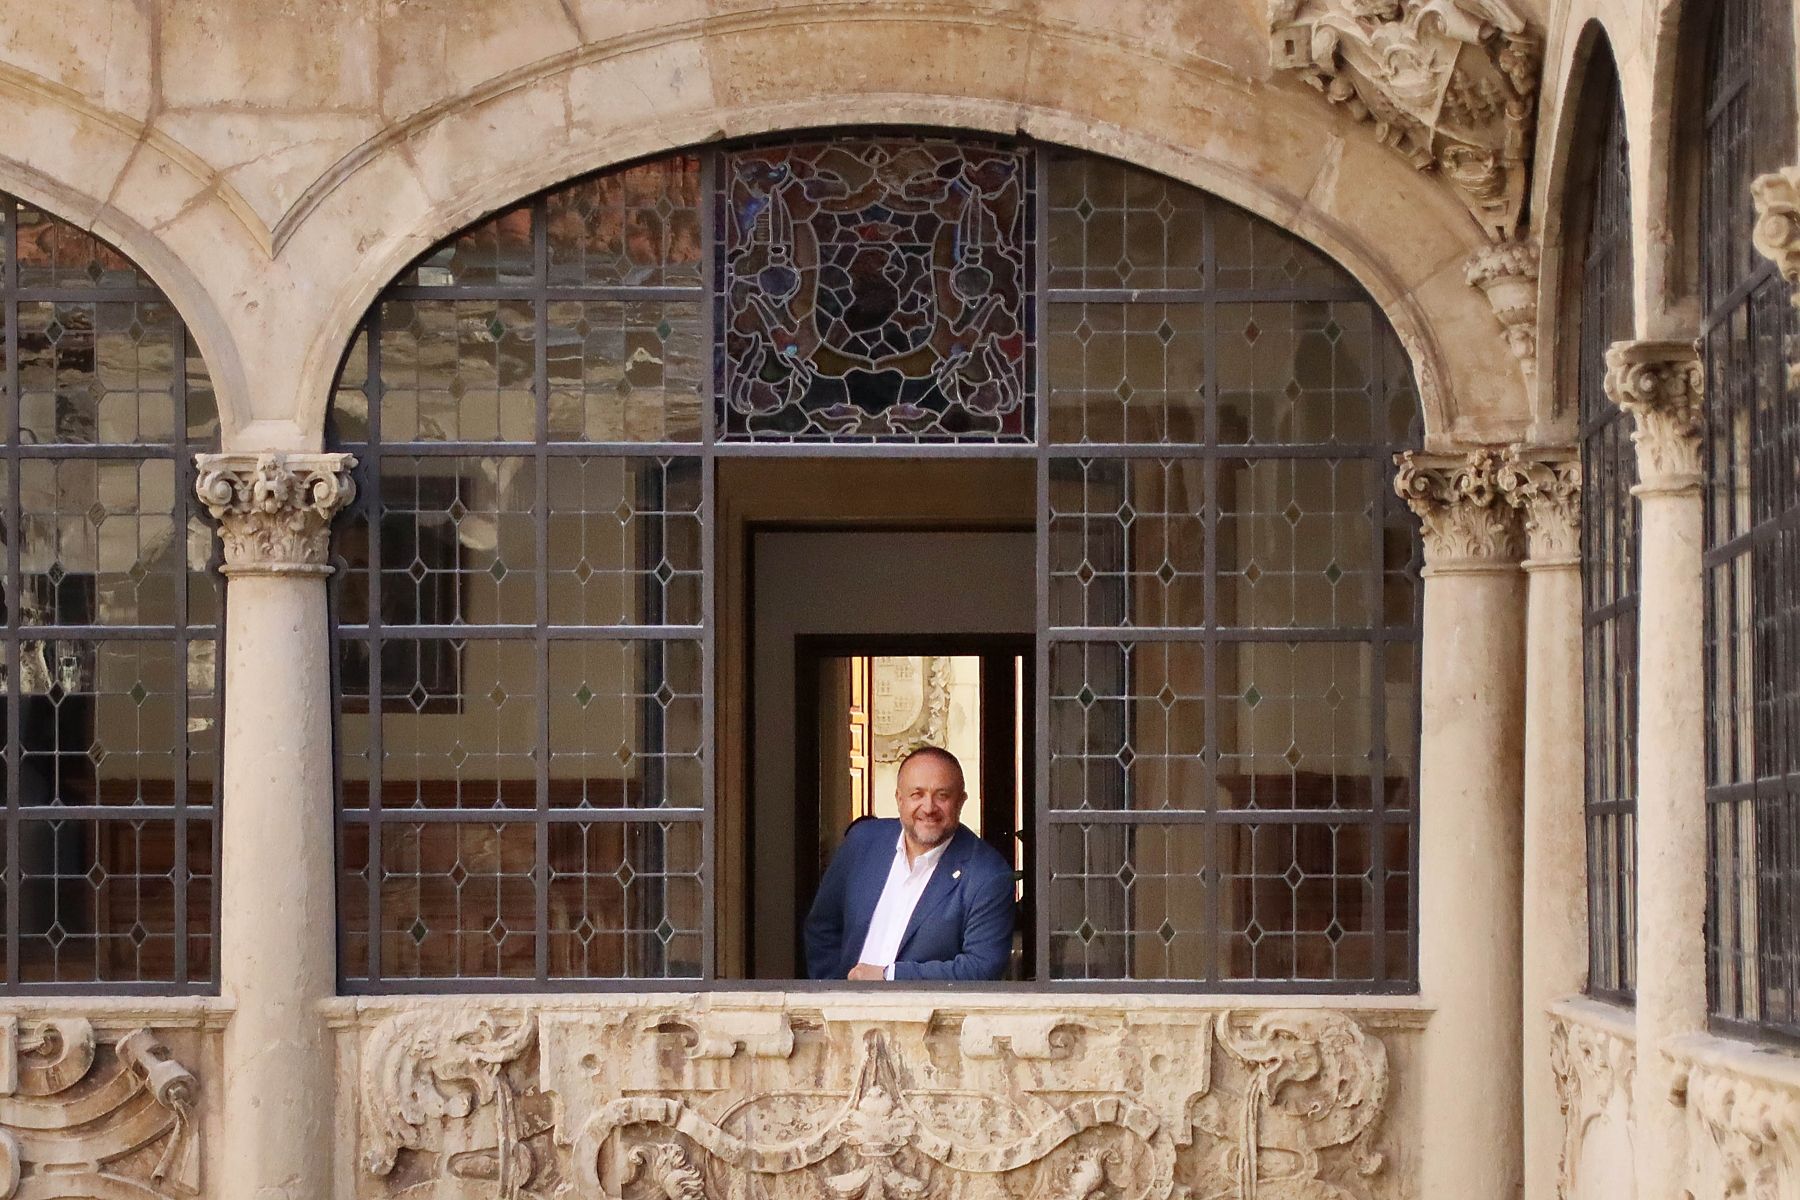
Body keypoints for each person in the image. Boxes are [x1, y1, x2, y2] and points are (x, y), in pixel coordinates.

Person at [803, 746, 1015, 981]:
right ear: (899, 799)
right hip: (845, 1011)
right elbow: (823, 927)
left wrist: (889, 976)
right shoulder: (862, 842)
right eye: (917, 794)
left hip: (926, 1014)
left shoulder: (988, 875)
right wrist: (835, 992)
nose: (928, 807)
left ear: (961, 801)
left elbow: (981, 966)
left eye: (942, 795)